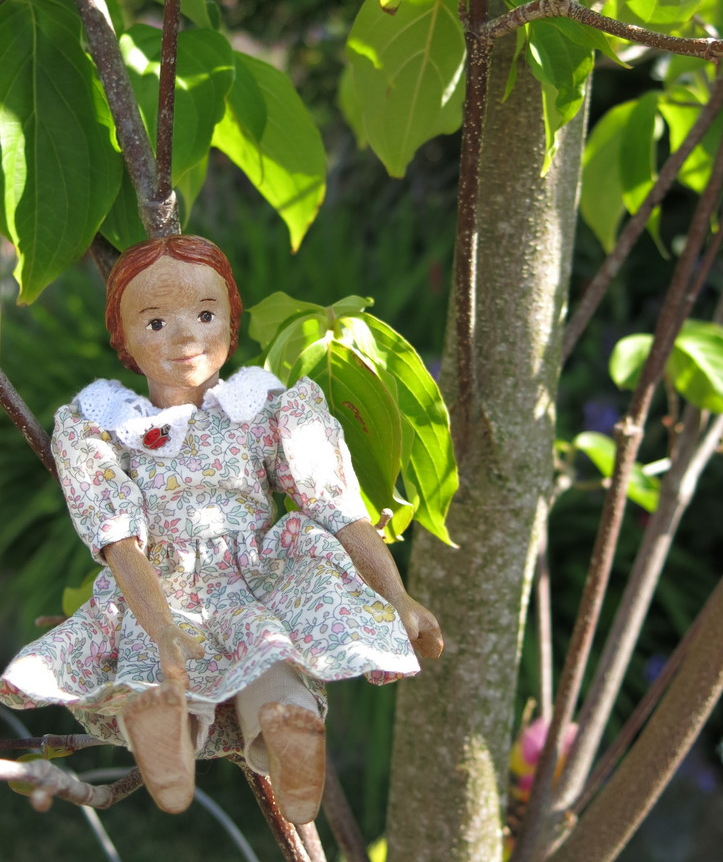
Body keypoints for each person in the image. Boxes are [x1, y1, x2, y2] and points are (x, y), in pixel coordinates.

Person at [0, 235, 443, 823]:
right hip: (163, 585)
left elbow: (335, 505)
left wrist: (396, 594)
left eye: (206, 315)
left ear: (231, 323)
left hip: (257, 573)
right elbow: (119, 541)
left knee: (267, 649)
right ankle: (170, 737)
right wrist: (160, 625)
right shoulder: (105, 428)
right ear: (124, 339)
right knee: (167, 662)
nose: (186, 338)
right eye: (156, 323)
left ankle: (285, 733)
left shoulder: (263, 408)